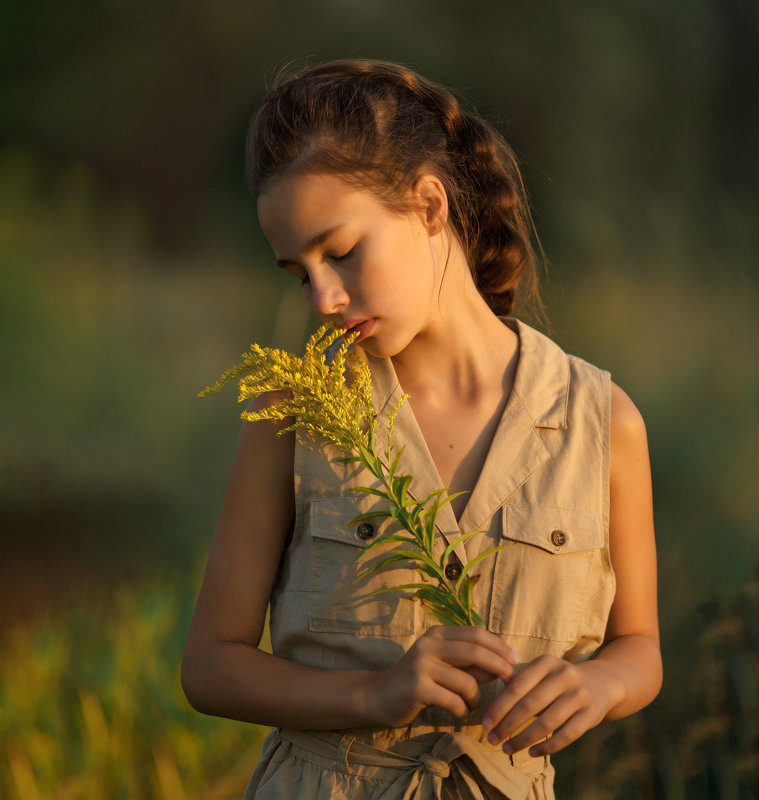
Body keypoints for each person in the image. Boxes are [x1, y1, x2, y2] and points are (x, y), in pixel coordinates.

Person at [181, 59, 661, 799]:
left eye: (340, 251)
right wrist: (371, 697)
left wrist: (598, 687)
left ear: (430, 205)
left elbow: (640, 649)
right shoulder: (295, 413)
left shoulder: (602, 420)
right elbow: (210, 665)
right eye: (298, 273)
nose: (324, 297)